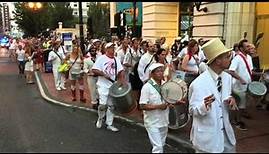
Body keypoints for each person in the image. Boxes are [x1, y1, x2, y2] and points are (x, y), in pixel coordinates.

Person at [188, 38, 237, 153]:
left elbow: (225, 97)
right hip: (207, 140)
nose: (230, 59)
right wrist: (203, 106)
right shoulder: (198, 84)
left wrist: (230, 99)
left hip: (226, 137)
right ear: (218, 61)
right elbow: (192, 110)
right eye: (227, 57)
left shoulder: (227, 77)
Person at [139, 63, 184, 153]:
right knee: (158, 147)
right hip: (152, 122)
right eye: (158, 71)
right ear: (152, 73)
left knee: (162, 144)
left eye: (161, 71)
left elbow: (169, 100)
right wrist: (159, 106)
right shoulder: (147, 87)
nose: (160, 73)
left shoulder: (165, 85)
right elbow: (142, 105)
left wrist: (176, 102)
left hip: (163, 120)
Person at [92, 42, 126, 132]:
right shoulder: (101, 58)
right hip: (103, 85)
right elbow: (94, 69)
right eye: (111, 48)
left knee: (111, 105)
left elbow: (121, 71)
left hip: (113, 85)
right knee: (103, 105)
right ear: (107, 49)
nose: (113, 49)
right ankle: (100, 118)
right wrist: (103, 74)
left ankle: (109, 123)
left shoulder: (116, 59)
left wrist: (121, 81)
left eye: (113, 48)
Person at [227, 39, 253, 131]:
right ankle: (237, 121)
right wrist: (240, 79)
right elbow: (231, 71)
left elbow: (249, 71)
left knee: (242, 105)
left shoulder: (249, 58)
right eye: (247, 46)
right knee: (240, 105)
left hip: (246, 86)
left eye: (249, 46)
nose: (249, 48)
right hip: (237, 86)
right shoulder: (237, 58)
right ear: (241, 48)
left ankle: (234, 120)